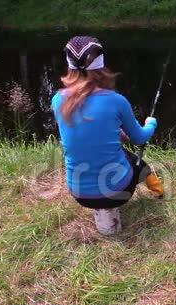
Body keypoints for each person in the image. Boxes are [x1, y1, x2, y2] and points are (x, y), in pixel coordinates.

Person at [51, 36, 163, 235]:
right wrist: (151, 123)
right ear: (101, 65)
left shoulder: (58, 100)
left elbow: (83, 132)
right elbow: (140, 138)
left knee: (117, 154)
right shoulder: (116, 101)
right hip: (118, 192)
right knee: (138, 163)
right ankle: (159, 192)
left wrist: (116, 132)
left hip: (78, 193)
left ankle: (105, 216)